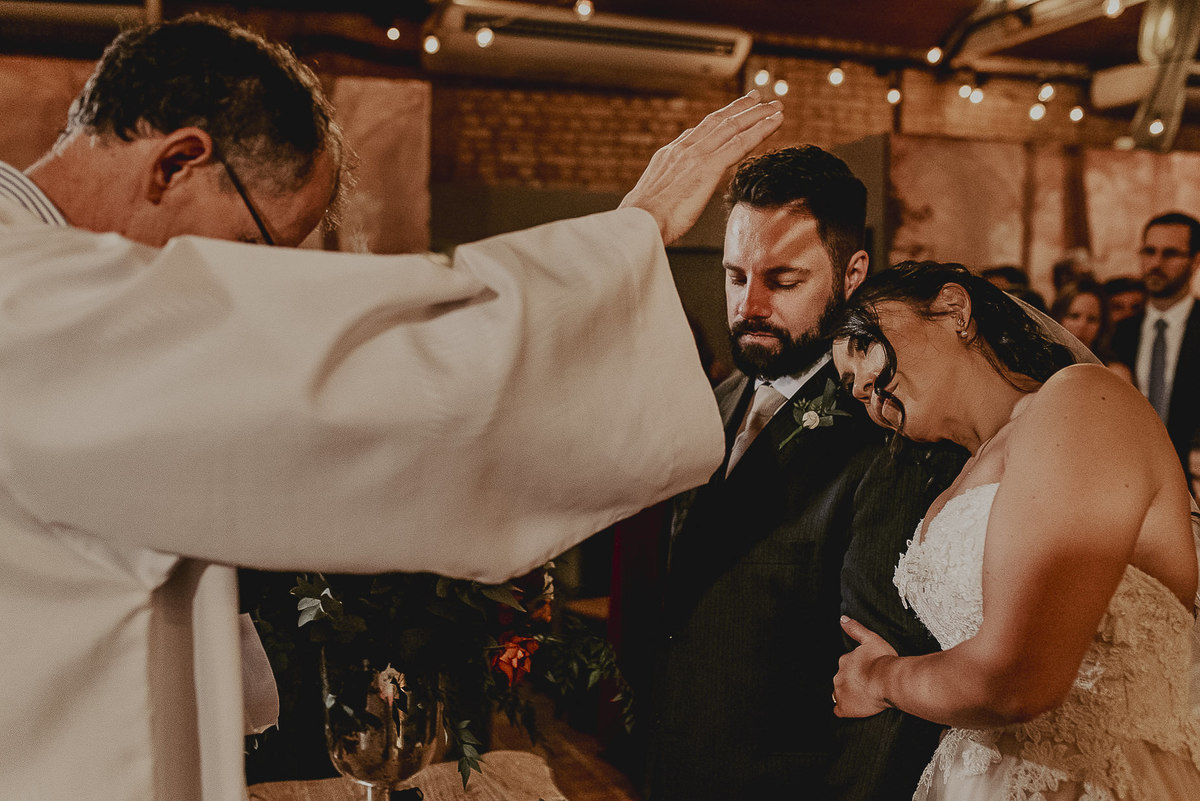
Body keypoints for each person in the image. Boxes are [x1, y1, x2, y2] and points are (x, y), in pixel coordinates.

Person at [0, 15, 785, 801]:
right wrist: (627, 244)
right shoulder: (33, 300)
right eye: (258, 250)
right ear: (177, 162)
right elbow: (362, 383)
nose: (254, 285)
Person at [648, 146, 964, 801]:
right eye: (735, 276)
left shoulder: (885, 442)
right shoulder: (718, 398)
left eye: (782, 280)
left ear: (853, 275)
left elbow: (878, 694)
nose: (750, 303)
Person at [830, 260, 1200, 799]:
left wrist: (883, 678)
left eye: (865, 345)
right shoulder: (951, 486)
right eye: (849, 384)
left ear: (954, 310)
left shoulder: (1080, 401)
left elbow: (1019, 678)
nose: (863, 385)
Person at [1110, 211, 1200, 477]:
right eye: (1149, 251)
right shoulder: (1117, 333)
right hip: (1124, 478)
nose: (1155, 263)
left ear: (1195, 260)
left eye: (1170, 253)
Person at [1050, 278, 1131, 382]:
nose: (1082, 325)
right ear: (1058, 318)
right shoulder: (1040, 369)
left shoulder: (1115, 373)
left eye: (1092, 319)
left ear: (1102, 325)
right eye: (1074, 316)